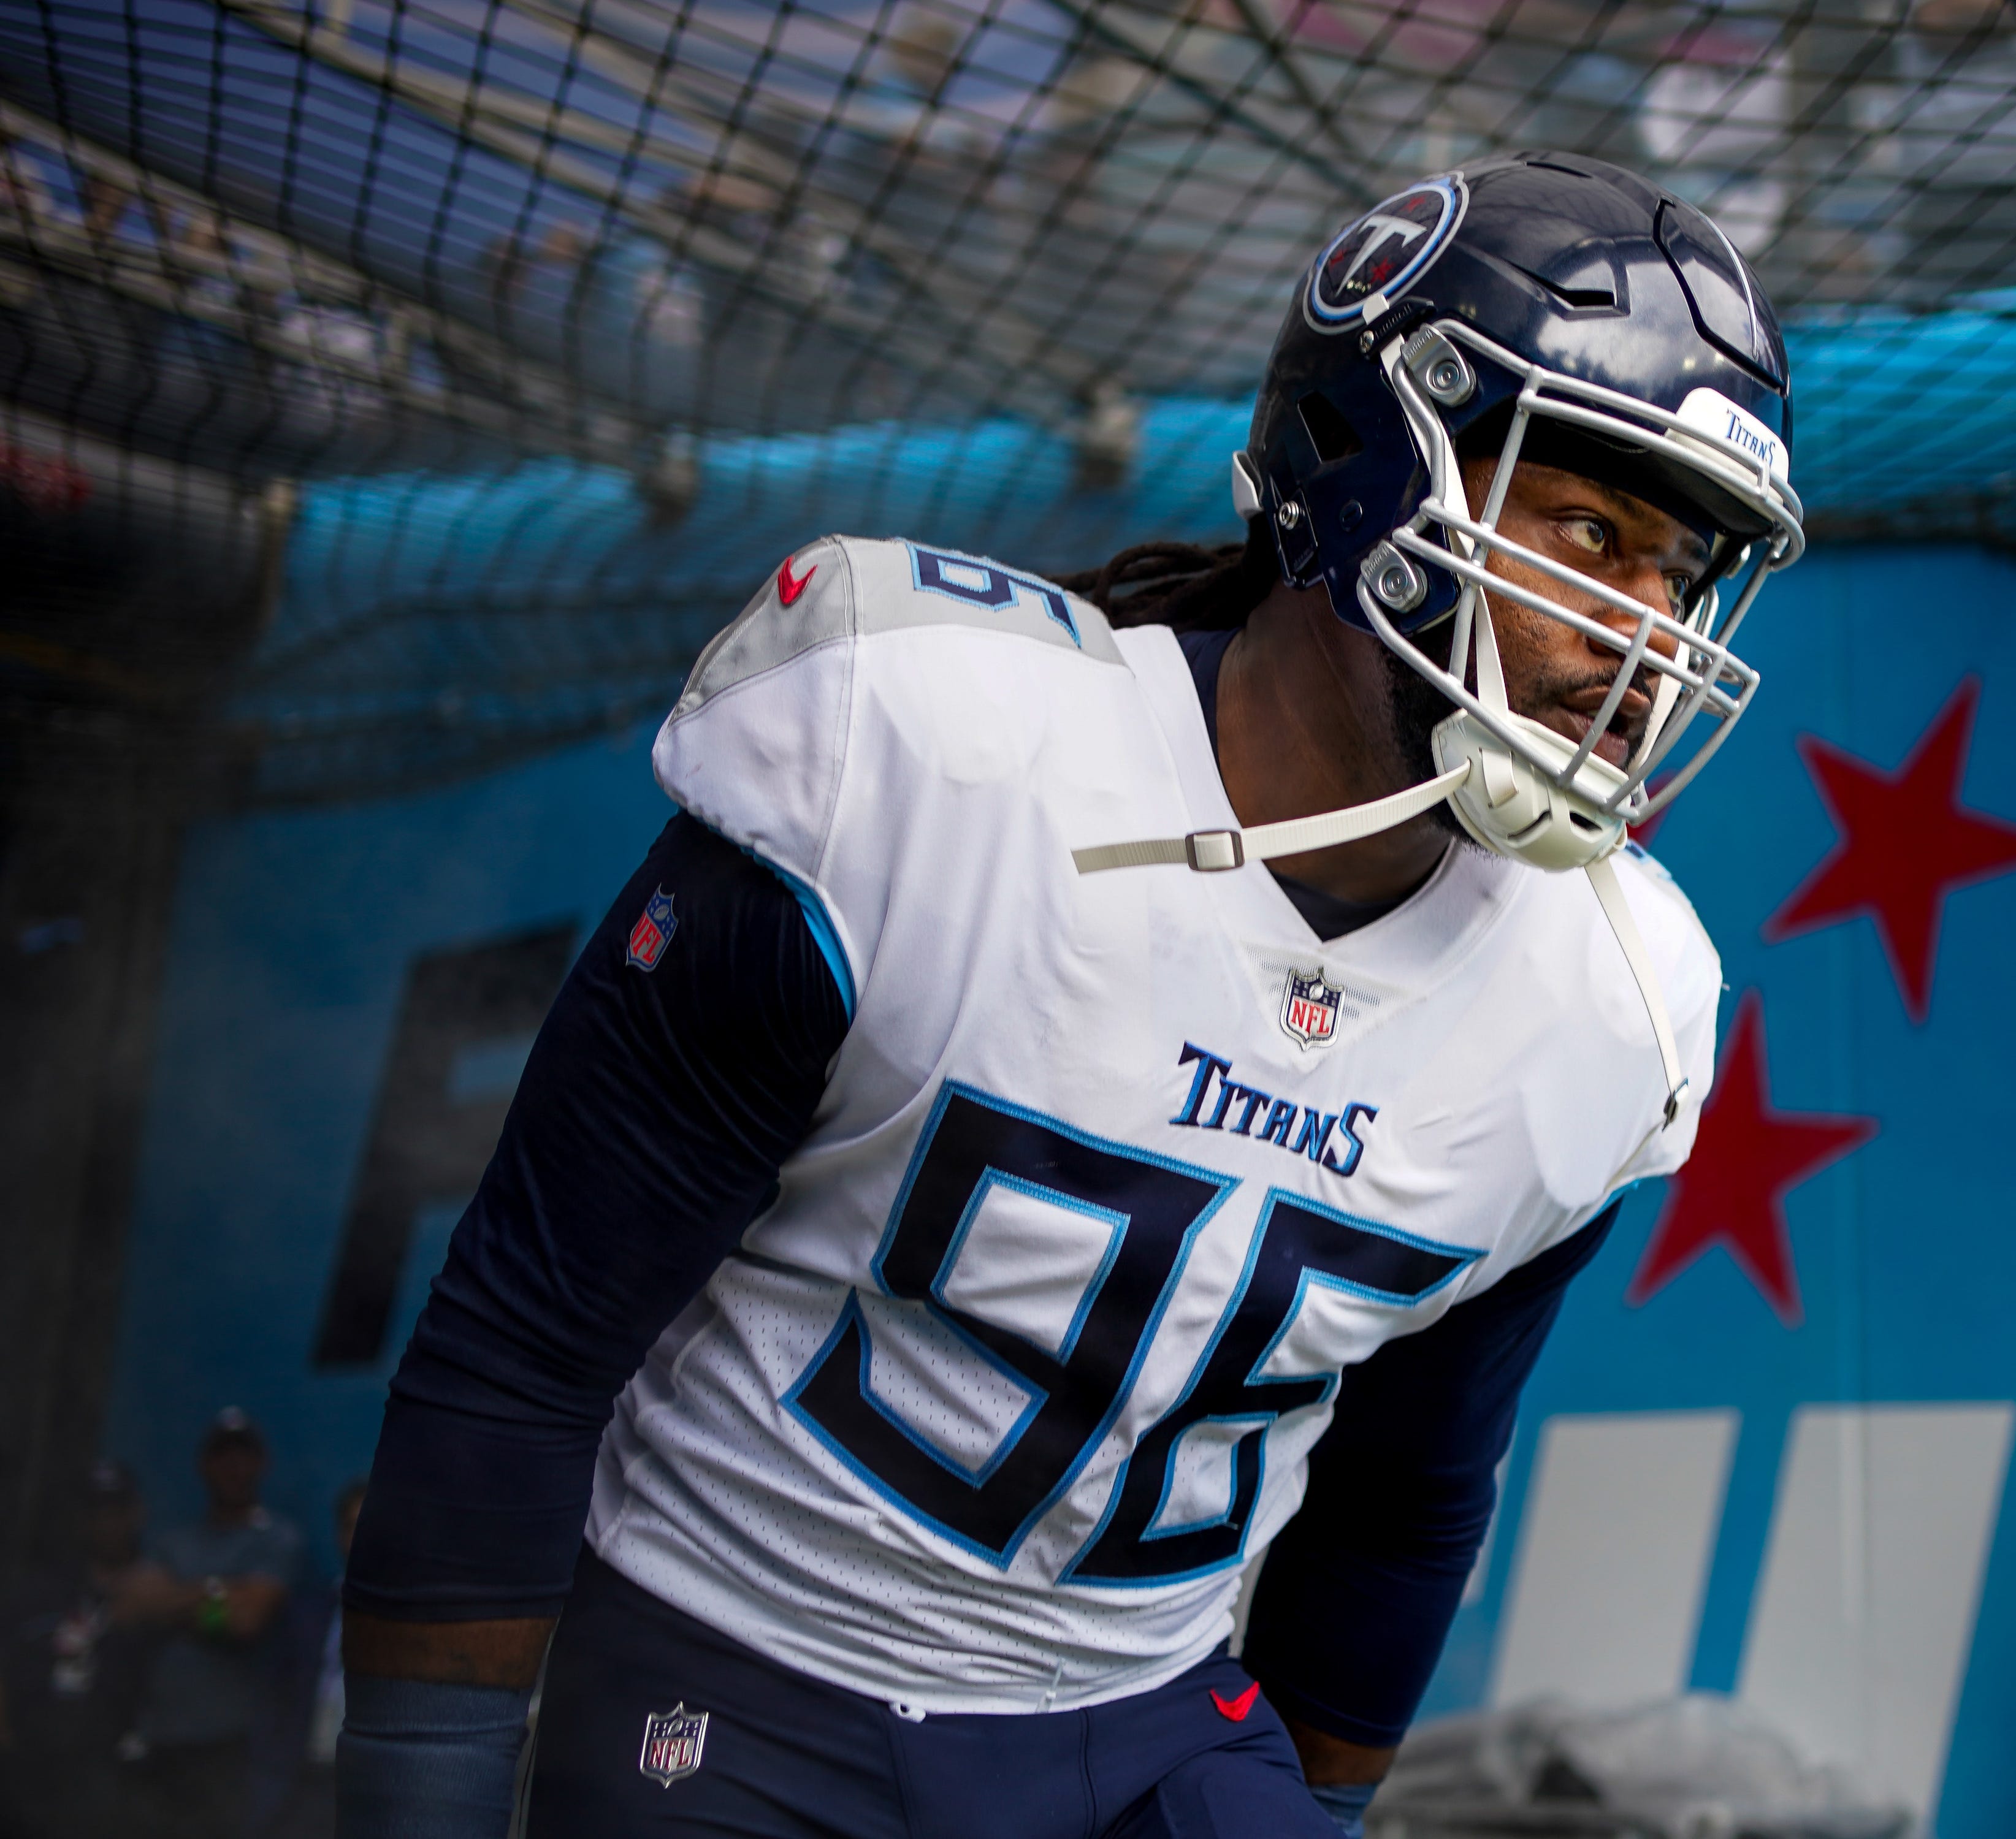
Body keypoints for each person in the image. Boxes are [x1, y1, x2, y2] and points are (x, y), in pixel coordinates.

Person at [337, 148, 1804, 1839]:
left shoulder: (1611, 995)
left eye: (1680, 575)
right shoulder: (925, 755)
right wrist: (425, 1784)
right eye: (1590, 533)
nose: (1644, 641)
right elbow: (530, 1334)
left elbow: (1404, 1500)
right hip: (739, 1666)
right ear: (1367, 470)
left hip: (1139, 1721)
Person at [129, 1409, 305, 1837]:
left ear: (261, 1464)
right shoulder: (175, 1540)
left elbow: (246, 1620)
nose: (233, 1467)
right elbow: (135, 1607)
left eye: (243, 1455)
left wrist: (179, 1603)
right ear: (204, 1464)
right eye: (222, 1455)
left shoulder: (275, 1539)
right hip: (159, 1734)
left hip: (228, 1743)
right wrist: (217, 1595)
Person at [0, 1460, 161, 1839]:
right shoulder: (41, 1592)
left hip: (112, 1775)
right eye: (97, 1512)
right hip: (29, 1769)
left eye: (116, 1510)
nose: (107, 1522)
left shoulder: (157, 1592)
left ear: (136, 1514)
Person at [255, 1479, 365, 1839]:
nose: (362, 1536)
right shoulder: (307, 1614)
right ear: (338, 1535)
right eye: (351, 1526)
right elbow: (273, 1701)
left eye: (371, 1523)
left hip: (374, 1785)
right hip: (307, 1782)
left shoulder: (416, 1619)